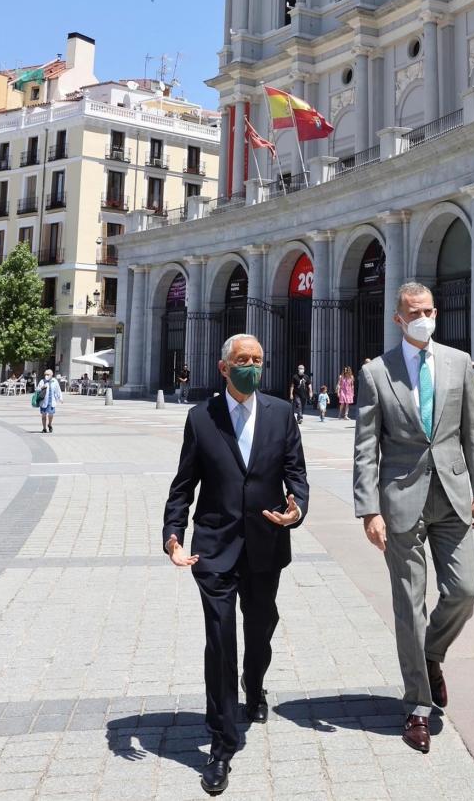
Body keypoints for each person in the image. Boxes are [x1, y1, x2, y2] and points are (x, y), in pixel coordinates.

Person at [163, 334, 309, 796]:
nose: (251, 367)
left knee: (261, 627)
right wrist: (172, 535)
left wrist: (296, 508)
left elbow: (296, 475)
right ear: (224, 367)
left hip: (266, 542)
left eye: (258, 360)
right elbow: (183, 484)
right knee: (220, 638)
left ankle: (255, 684)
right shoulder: (201, 418)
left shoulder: (283, 413)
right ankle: (222, 741)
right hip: (215, 546)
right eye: (243, 360)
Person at [354, 282, 474, 755]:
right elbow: (366, 447)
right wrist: (368, 508)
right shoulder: (376, 372)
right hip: (400, 501)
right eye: (415, 312)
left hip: (452, 495)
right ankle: (417, 704)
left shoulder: (459, 362)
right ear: (398, 318)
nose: (424, 318)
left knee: (464, 591)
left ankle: (432, 655)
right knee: (409, 605)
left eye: (429, 310)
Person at [37, 369, 62, 433]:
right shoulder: (42, 381)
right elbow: (37, 389)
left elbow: (58, 390)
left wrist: (60, 398)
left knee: (51, 415)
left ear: (51, 375)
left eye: (48, 374)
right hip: (44, 401)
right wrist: (42, 387)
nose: (46, 375)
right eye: (45, 374)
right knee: (43, 415)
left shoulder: (54, 381)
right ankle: (44, 428)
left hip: (51, 401)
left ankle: (50, 424)